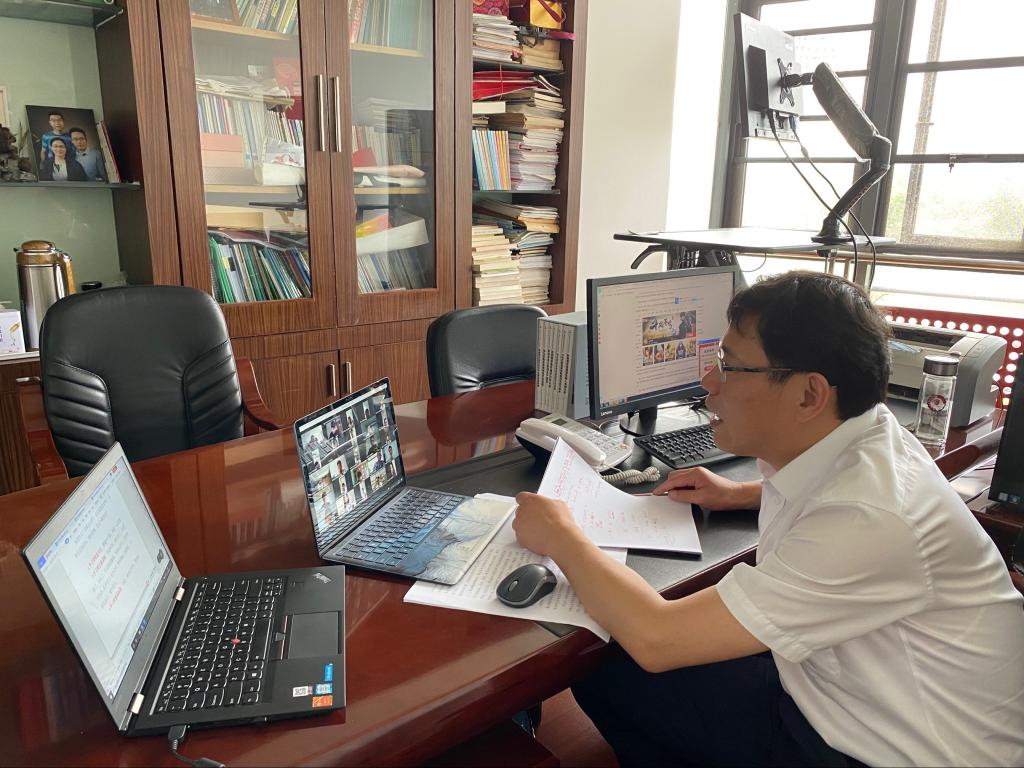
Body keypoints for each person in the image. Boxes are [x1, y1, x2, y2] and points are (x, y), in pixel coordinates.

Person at [513, 271, 1024, 767]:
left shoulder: (869, 520)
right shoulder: (866, 435)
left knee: (610, 661)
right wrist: (740, 494)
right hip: (866, 696)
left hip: (896, 748)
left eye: (730, 366)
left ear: (809, 395)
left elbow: (657, 638)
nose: (708, 381)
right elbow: (834, 498)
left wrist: (562, 537)